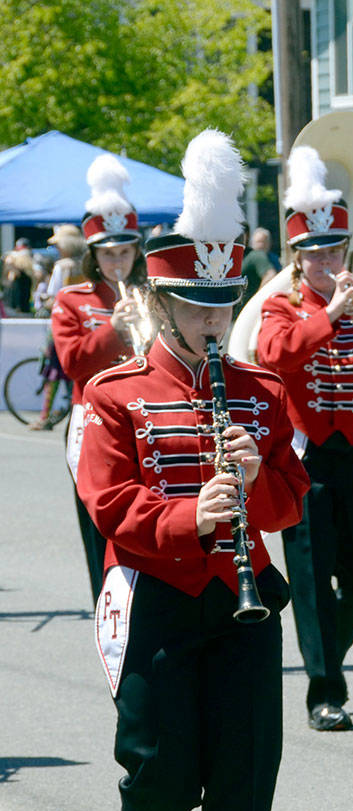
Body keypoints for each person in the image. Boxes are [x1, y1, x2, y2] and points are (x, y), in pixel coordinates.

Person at [77, 129, 308, 811]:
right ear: (162, 301)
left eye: (223, 306)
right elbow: (108, 502)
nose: (215, 323)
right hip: (155, 605)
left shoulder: (261, 392)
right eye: (198, 307)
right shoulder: (114, 393)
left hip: (245, 609)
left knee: (246, 781)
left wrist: (256, 476)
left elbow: (291, 501)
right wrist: (192, 516)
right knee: (157, 778)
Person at [258, 144, 353, 731]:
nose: (327, 261)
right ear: (298, 259)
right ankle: (325, 690)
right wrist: (329, 314)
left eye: (335, 249)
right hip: (306, 459)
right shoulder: (281, 305)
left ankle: (329, 657)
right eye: (315, 253)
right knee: (312, 579)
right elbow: (276, 354)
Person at [50, 154, 149, 600]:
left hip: (146, 418)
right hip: (90, 424)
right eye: (108, 254)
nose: (117, 263)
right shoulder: (72, 301)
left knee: (143, 522)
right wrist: (113, 328)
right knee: (100, 528)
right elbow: (72, 363)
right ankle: (107, 613)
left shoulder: (153, 296)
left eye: (125, 252)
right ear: (94, 255)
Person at [35, 224, 87, 311]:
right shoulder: (89, 263)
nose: (57, 249)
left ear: (65, 245)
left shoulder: (61, 267)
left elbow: (54, 295)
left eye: (57, 245)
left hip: (67, 311)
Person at [240, 226, 281, 309]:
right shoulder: (240, 257)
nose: (260, 245)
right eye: (258, 242)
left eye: (263, 242)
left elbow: (270, 275)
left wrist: (256, 301)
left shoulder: (257, 256)